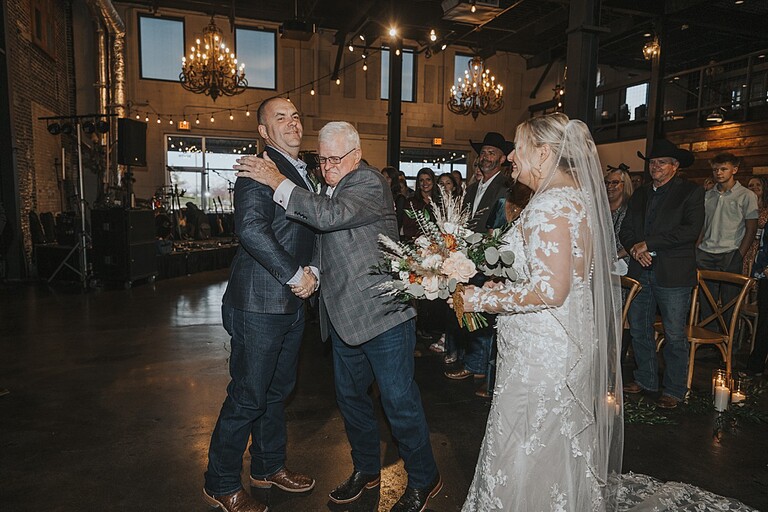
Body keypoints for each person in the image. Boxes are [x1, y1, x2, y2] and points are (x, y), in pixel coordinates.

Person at [235, 121, 441, 512]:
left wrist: (277, 180)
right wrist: (312, 271)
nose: (327, 167)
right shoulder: (327, 186)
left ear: (356, 155)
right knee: (351, 402)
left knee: (399, 402)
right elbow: (322, 237)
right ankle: (366, 469)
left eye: (335, 159)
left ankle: (423, 476)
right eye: (322, 159)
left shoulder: (368, 182)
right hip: (343, 317)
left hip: (383, 315)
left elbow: (329, 217)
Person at [455, 113, 623, 510]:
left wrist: (479, 299)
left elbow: (551, 290)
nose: (512, 156)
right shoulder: (578, 198)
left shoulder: (548, 205)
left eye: (519, 148)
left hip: (541, 350)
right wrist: (505, 286)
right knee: (552, 438)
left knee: (524, 439)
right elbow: (566, 276)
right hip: (565, 339)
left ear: (544, 153)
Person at [202, 97, 317, 512]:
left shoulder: (297, 171)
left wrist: (312, 270)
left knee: (277, 391)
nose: (292, 123)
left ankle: (268, 466)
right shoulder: (258, 169)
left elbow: (309, 229)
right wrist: (296, 274)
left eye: (296, 116)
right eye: (280, 118)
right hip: (259, 303)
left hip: (290, 303)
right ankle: (220, 482)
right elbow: (251, 229)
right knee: (249, 395)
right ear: (264, 132)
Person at [620, 139, 704, 409]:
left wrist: (650, 244)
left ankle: (675, 390)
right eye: (652, 162)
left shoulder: (690, 192)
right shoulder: (641, 193)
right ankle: (645, 379)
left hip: (673, 272)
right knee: (639, 329)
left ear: (675, 166)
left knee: (674, 334)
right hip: (640, 269)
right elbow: (626, 229)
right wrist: (635, 249)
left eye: (662, 162)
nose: (655, 166)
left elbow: (690, 230)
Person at [445, 132, 513, 395]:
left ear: (502, 159)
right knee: (468, 314)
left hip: (489, 262)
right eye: (483, 152)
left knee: (484, 317)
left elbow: (499, 228)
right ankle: (473, 363)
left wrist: (482, 252)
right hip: (467, 260)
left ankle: (481, 369)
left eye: (491, 153)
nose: (485, 157)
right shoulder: (473, 188)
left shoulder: (505, 187)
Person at [697, 153, 757, 327]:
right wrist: (696, 249)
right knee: (706, 302)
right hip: (706, 252)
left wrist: (739, 255)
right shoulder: (707, 195)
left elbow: (751, 229)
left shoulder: (746, 195)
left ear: (734, 170)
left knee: (730, 302)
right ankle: (709, 338)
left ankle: (729, 337)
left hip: (730, 252)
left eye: (724, 169)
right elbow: (702, 225)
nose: (719, 173)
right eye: (715, 169)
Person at [401, 167, 441, 241]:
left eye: (428, 179)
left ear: (433, 181)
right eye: (421, 180)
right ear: (418, 183)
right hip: (417, 243)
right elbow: (407, 229)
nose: (425, 183)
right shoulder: (411, 203)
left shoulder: (440, 203)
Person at [744, 176, 768, 275]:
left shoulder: (766, 209)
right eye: (751, 185)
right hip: (746, 247)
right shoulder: (743, 208)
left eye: (758, 185)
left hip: (762, 249)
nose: (754, 187)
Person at [382, 166, 407, 232]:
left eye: (388, 178)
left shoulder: (400, 199)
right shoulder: (379, 196)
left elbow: (398, 221)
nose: (384, 180)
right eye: (383, 177)